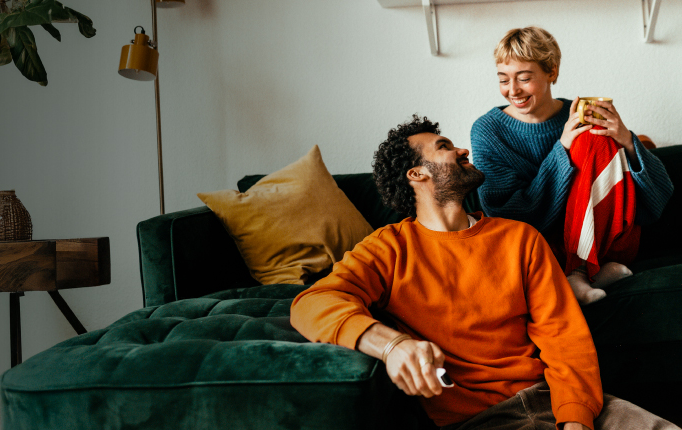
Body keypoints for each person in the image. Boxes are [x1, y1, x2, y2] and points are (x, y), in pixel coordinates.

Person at [290, 115, 678, 430]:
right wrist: (392, 346)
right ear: (417, 174)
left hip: (564, 404)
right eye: (444, 146)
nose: (462, 149)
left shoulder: (519, 238)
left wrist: (576, 420)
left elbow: (565, 339)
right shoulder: (388, 248)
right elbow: (313, 301)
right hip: (480, 421)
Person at [470, 27, 674, 304]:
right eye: (503, 79)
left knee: (594, 134)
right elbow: (506, 215)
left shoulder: (579, 115)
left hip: (610, 242)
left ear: (551, 72)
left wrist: (626, 139)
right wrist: (563, 147)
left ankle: (585, 269)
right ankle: (581, 271)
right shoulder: (487, 131)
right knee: (586, 136)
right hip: (544, 247)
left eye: (524, 78)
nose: (513, 90)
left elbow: (661, 194)